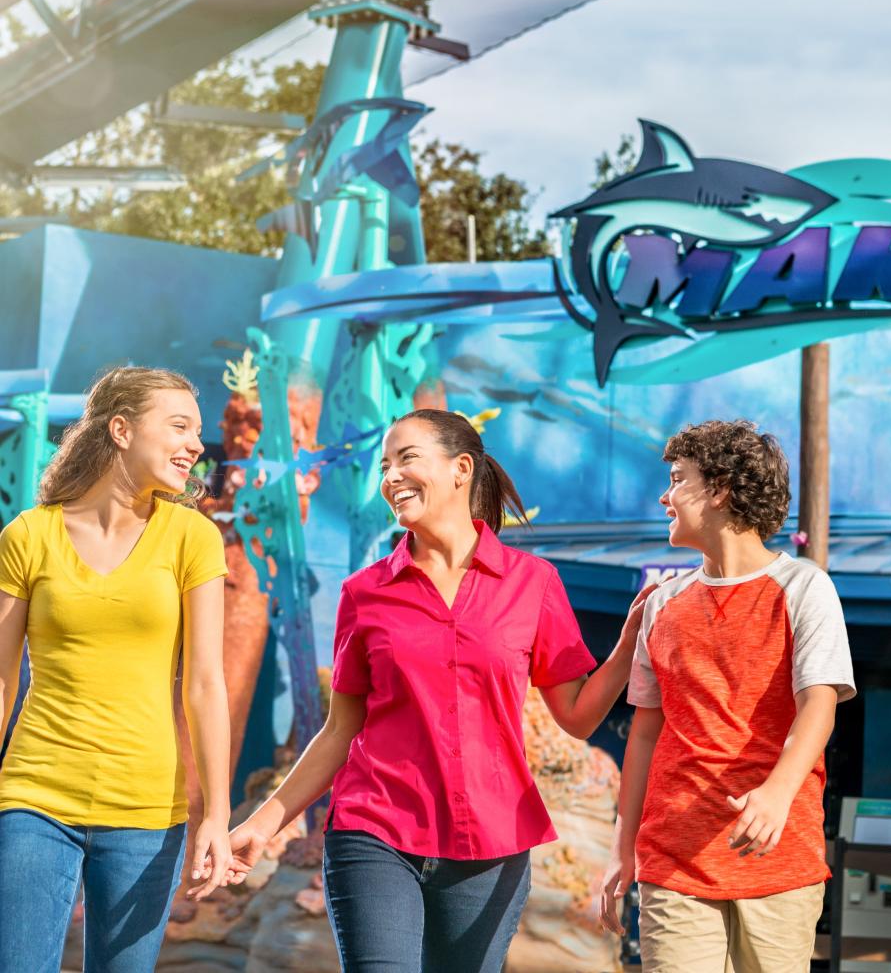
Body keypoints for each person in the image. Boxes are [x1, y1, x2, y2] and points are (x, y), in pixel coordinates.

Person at [228, 408, 653, 973]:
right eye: (385, 466)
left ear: (461, 469)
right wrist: (261, 823)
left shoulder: (533, 583)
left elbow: (575, 715)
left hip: (492, 843)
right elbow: (340, 731)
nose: (390, 478)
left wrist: (625, 649)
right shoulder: (365, 593)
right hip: (374, 827)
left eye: (406, 459)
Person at [600, 419, 856, 972]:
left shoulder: (806, 588)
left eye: (677, 479)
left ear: (718, 489)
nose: (665, 496)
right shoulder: (659, 605)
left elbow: (820, 706)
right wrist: (624, 846)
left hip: (778, 861)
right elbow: (644, 734)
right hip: (673, 862)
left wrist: (776, 793)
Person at [0, 366, 232, 973]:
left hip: (148, 811)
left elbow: (205, 684)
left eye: (197, 431)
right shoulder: (29, 535)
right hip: (34, 795)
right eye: (179, 426)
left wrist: (219, 816)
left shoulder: (193, 538)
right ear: (122, 429)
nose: (196, 444)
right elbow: (0, 681)